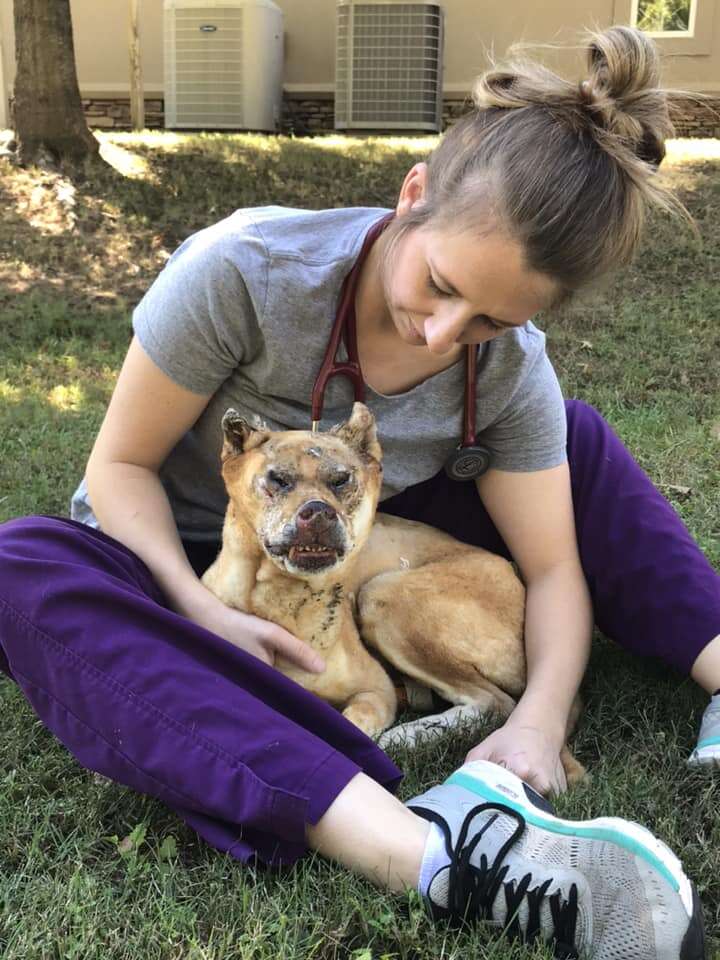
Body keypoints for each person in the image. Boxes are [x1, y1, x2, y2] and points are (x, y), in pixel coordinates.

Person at [0, 24, 714, 959]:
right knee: (21, 563)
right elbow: (117, 468)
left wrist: (538, 724)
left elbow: (553, 570)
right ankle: (428, 855)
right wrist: (202, 612)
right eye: (440, 285)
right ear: (411, 196)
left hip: (369, 523)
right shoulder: (243, 272)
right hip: (167, 546)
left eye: (493, 319)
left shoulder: (509, 367)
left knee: (573, 441)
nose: (443, 335)